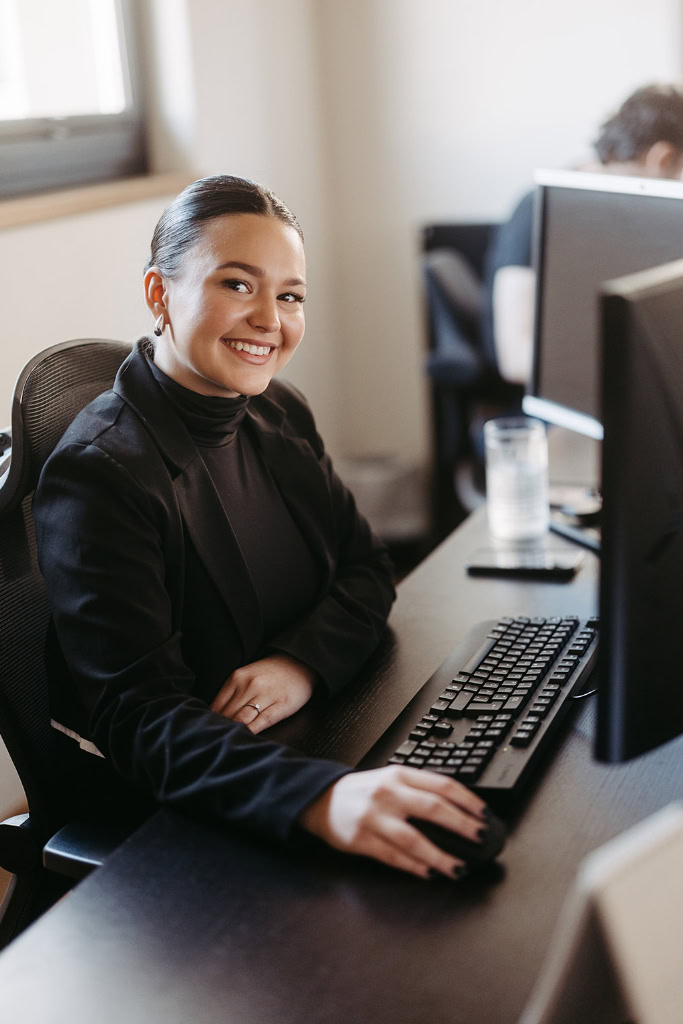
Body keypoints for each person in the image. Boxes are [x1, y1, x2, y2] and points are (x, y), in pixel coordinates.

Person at [34, 175, 490, 881]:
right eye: (237, 285)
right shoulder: (102, 474)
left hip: (317, 730)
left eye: (289, 295)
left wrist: (300, 664)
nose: (270, 321)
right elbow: (142, 720)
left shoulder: (278, 410)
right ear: (159, 295)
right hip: (205, 801)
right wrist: (318, 799)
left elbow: (367, 568)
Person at [482, 83, 683, 384]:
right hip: (565, 398)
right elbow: (517, 357)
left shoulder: (638, 222)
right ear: (663, 158)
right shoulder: (538, 208)